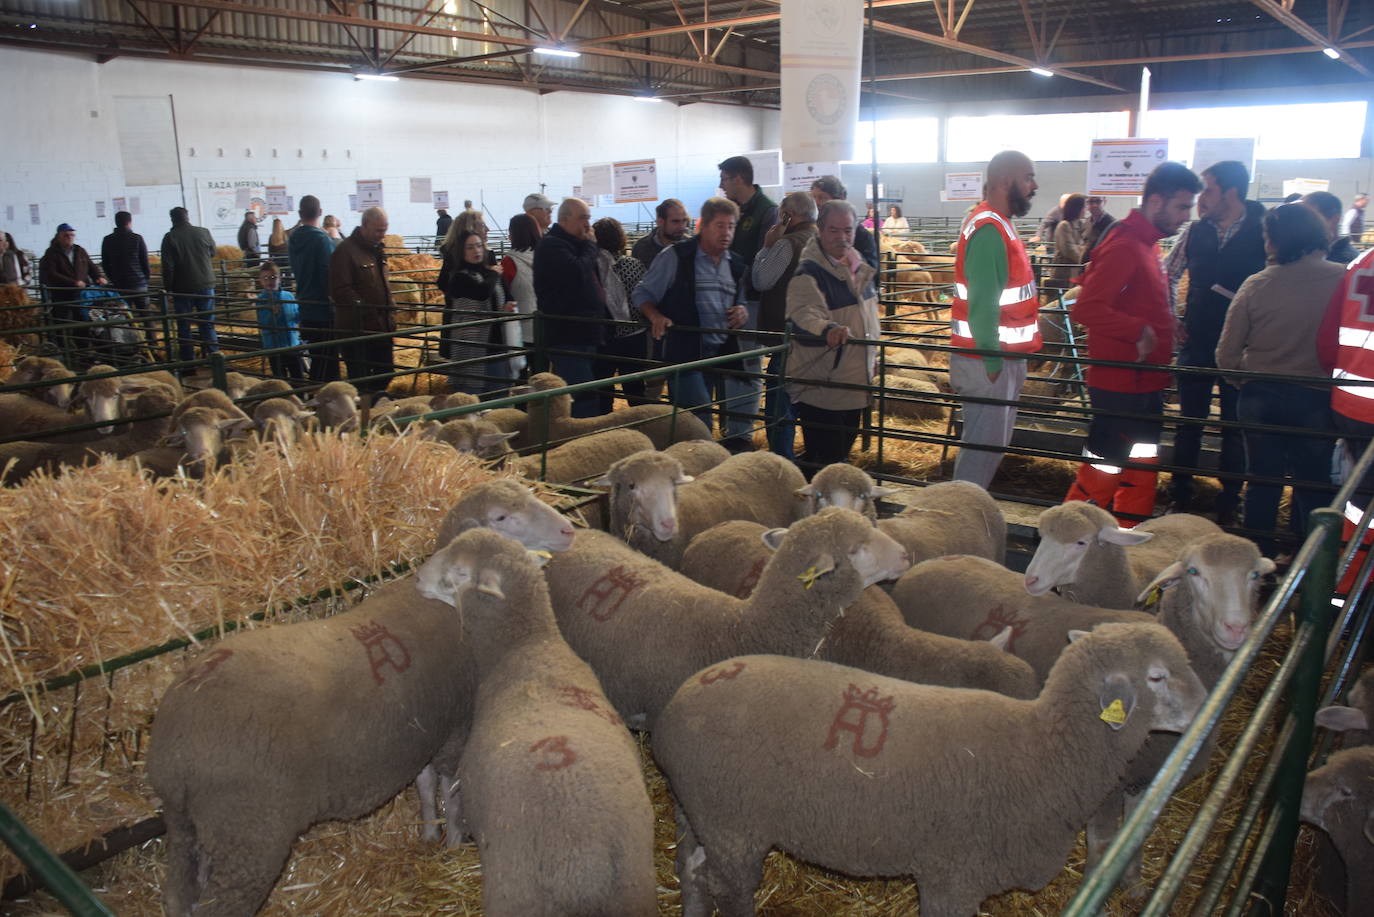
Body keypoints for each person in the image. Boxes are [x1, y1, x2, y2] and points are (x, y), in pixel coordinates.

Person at [1065, 162, 1202, 525]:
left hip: (1145, 383)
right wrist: (1138, 330)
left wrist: (1166, 324)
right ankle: (1069, 538)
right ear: (1156, 200)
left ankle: (1129, 535)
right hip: (1121, 384)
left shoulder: (1147, 244)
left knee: (1140, 463)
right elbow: (1087, 307)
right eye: (1182, 207)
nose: (1186, 217)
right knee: (1104, 467)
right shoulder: (1125, 245)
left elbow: (1135, 300)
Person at [1216, 203, 1344, 555]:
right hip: (1317, 397)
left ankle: (1259, 565)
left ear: (1274, 240)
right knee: (1313, 483)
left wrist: (1247, 378)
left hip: (1261, 397)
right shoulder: (1344, 279)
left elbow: (1225, 354)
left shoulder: (1257, 284)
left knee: (1262, 481)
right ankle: (1310, 564)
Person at [1164, 160, 1268, 524]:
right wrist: (1171, 316)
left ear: (1231, 192)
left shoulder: (1263, 228)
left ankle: (1229, 504)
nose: (1200, 198)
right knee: (1189, 421)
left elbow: (1276, 279)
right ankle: (1180, 497)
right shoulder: (1195, 231)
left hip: (1243, 348)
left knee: (1235, 426)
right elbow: (1169, 271)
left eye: (1207, 189)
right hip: (1197, 338)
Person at [948, 150, 1043, 490]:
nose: (1034, 185)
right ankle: (959, 517)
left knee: (991, 448)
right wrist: (991, 357)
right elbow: (983, 301)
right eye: (1028, 177)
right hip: (987, 358)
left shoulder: (1000, 224)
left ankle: (967, 513)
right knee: (981, 452)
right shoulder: (989, 228)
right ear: (1006, 181)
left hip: (1000, 356)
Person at [634, 197, 748, 430]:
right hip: (684, 352)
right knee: (700, 418)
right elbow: (642, 293)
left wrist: (742, 311)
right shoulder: (676, 256)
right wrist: (655, 316)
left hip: (719, 353)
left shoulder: (735, 264)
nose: (726, 232)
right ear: (703, 225)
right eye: (719, 226)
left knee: (694, 419)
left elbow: (741, 300)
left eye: (731, 226)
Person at [784, 199, 881, 470]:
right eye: (834, 230)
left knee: (838, 457)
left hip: (855, 381)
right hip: (823, 384)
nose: (842, 237)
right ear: (820, 230)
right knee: (826, 461)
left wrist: (872, 353)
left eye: (848, 230)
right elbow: (803, 315)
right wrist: (827, 328)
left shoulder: (859, 269)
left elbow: (868, 318)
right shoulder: (809, 273)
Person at [1318, 245, 1374, 592]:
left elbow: (1326, 343)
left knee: (1360, 499)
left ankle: (1346, 593)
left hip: (1350, 403)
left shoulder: (1360, 261)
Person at [717, 154, 779, 452]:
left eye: (724, 179)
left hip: (752, 301)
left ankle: (740, 434)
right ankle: (732, 428)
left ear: (738, 178)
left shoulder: (767, 212)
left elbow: (764, 260)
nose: (721, 185)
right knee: (733, 364)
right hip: (730, 299)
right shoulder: (736, 210)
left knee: (746, 365)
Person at [751, 191, 820, 458]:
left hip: (789, 337)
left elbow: (761, 281)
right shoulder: (824, 240)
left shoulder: (787, 244)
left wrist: (767, 246)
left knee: (781, 405)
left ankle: (782, 462)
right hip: (819, 337)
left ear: (788, 215)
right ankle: (814, 459)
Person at [532, 197, 608, 417]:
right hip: (567, 334)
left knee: (586, 389)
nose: (588, 224)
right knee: (582, 394)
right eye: (583, 218)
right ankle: (581, 438)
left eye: (588, 217)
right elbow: (576, 272)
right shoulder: (552, 245)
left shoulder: (574, 243)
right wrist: (591, 246)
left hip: (585, 331)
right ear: (564, 219)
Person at [329, 206, 395, 399]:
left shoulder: (377, 250)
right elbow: (340, 290)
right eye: (378, 230)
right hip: (357, 329)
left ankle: (374, 404)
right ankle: (366, 414)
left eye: (384, 230)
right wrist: (366, 310)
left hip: (381, 327)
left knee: (387, 371)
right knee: (361, 379)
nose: (382, 235)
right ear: (365, 226)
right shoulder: (345, 251)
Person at [439, 229, 513, 394]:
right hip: (471, 348)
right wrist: (494, 273)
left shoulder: (490, 274)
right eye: (470, 247)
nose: (477, 251)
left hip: (496, 343)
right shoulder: (459, 277)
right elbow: (481, 293)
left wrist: (506, 307)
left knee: (499, 395)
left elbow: (505, 296)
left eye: (479, 246)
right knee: (473, 397)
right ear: (461, 252)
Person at [593, 217, 650, 410]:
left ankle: (605, 429)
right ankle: (642, 426)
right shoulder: (634, 264)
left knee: (603, 388)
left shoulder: (593, 267)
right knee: (635, 388)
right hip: (634, 334)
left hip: (606, 336)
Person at [287, 195, 341, 383]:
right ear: (320, 212)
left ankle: (316, 393)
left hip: (305, 303)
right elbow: (330, 273)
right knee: (328, 361)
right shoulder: (322, 240)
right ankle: (320, 397)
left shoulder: (294, 239)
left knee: (318, 356)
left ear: (300, 213)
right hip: (323, 308)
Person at [39, 222, 108, 357]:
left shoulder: (79, 250)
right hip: (62, 293)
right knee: (62, 322)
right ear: (59, 236)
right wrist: (73, 282)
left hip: (81, 294)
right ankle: (63, 351)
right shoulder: (52, 253)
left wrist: (99, 276)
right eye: (66, 235)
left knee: (82, 321)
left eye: (71, 235)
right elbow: (52, 273)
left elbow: (91, 266)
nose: (69, 237)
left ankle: (82, 350)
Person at [159, 209, 218, 364]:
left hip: (182, 287)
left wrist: (168, 289)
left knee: (184, 326)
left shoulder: (170, 237)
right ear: (187, 217)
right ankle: (215, 359)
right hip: (206, 283)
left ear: (172, 219)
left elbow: (168, 267)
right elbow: (212, 253)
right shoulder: (204, 232)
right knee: (207, 324)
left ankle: (188, 364)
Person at [100, 211, 153, 348]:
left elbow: (105, 263)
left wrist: (113, 279)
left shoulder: (108, 240)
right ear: (129, 222)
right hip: (139, 284)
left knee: (125, 317)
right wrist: (145, 279)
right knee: (147, 316)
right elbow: (145, 262)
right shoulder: (137, 238)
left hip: (120, 285)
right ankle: (152, 345)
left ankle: (132, 345)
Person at [810, 176, 878, 270]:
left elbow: (870, 274)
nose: (816, 203)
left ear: (839, 200)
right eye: (813, 197)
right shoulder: (814, 231)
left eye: (822, 197)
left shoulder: (862, 237)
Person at [500, 213, 540, 369]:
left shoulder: (508, 262)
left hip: (521, 331)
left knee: (521, 377)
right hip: (546, 327)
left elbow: (502, 294)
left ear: (513, 234)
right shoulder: (547, 256)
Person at [255, 261, 305, 382]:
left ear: (280, 278)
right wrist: (273, 314)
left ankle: (300, 395)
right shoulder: (261, 300)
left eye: (273, 277)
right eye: (265, 278)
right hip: (274, 347)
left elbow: (296, 316)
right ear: (260, 281)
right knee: (280, 379)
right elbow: (264, 323)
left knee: (298, 376)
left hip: (293, 343)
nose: (269, 281)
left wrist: (303, 312)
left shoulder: (288, 296)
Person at [1302, 191, 1360, 264]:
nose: (1300, 225)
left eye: (1308, 218)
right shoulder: (1307, 252)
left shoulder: (1346, 260)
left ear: (1334, 219)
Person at [631, 198, 690, 269]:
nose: (682, 227)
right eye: (675, 221)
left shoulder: (692, 246)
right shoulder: (641, 247)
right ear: (660, 222)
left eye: (684, 220)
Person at [1048, 193, 1087, 290]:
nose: (1085, 210)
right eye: (1084, 207)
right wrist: (1084, 259)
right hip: (1064, 273)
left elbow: (1086, 245)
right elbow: (1069, 250)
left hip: (1075, 271)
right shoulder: (1064, 225)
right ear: (1077, 208)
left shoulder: (1081, 224)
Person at [1082, 195, 1116, 262]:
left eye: (1098, 201)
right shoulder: (1087, 222)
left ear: (1104, 202)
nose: (1094, 205)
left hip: (1103, 264)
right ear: (1087, 203)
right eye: (1091, 201)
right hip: (1086, 265)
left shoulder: (1112, 224)